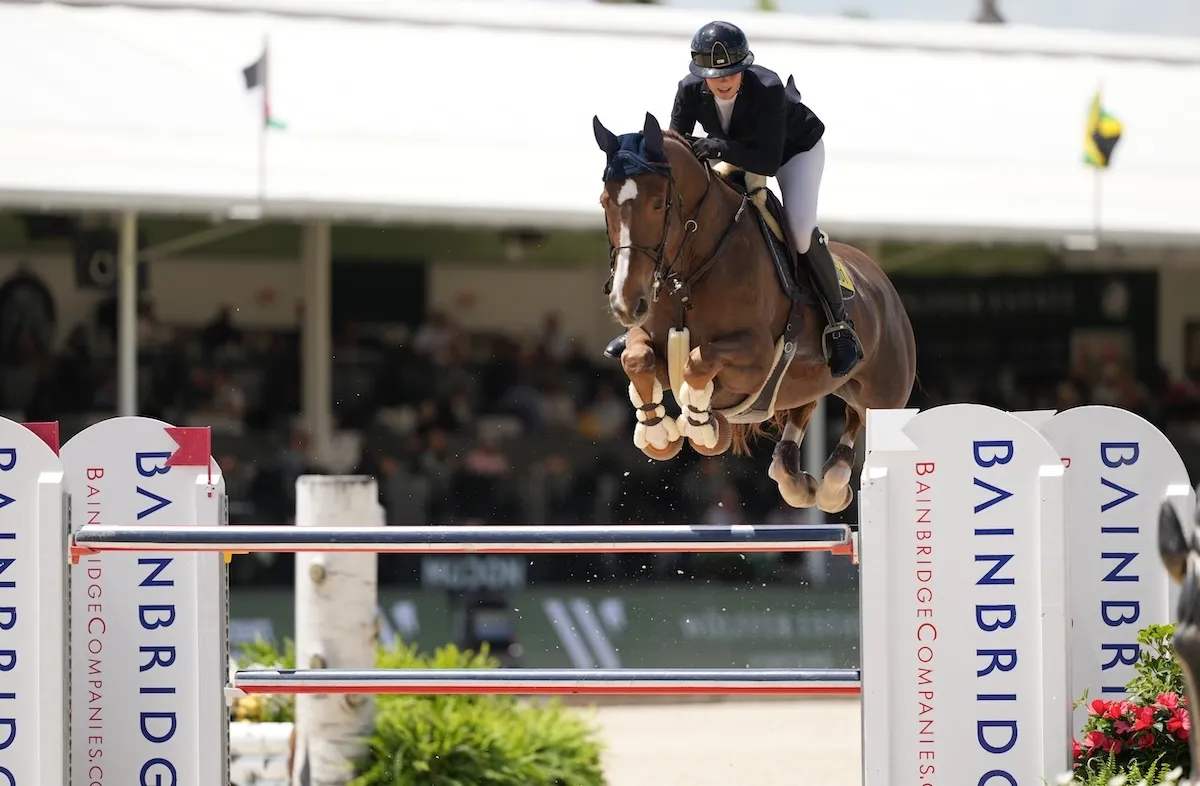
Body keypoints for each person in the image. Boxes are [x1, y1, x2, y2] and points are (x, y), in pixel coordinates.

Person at [603, 20, 864, 379]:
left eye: (731, 73)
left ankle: (839, 325)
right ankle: (644, 325)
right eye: (714, 75)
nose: (723, 81)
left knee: (800, 230)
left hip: (791, 153)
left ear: (744, 68)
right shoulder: (689, 89)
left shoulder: (768, 88)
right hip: (736, 152)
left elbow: (768, 162)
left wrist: (719, 147)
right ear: (701, 75)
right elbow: (675, 152)